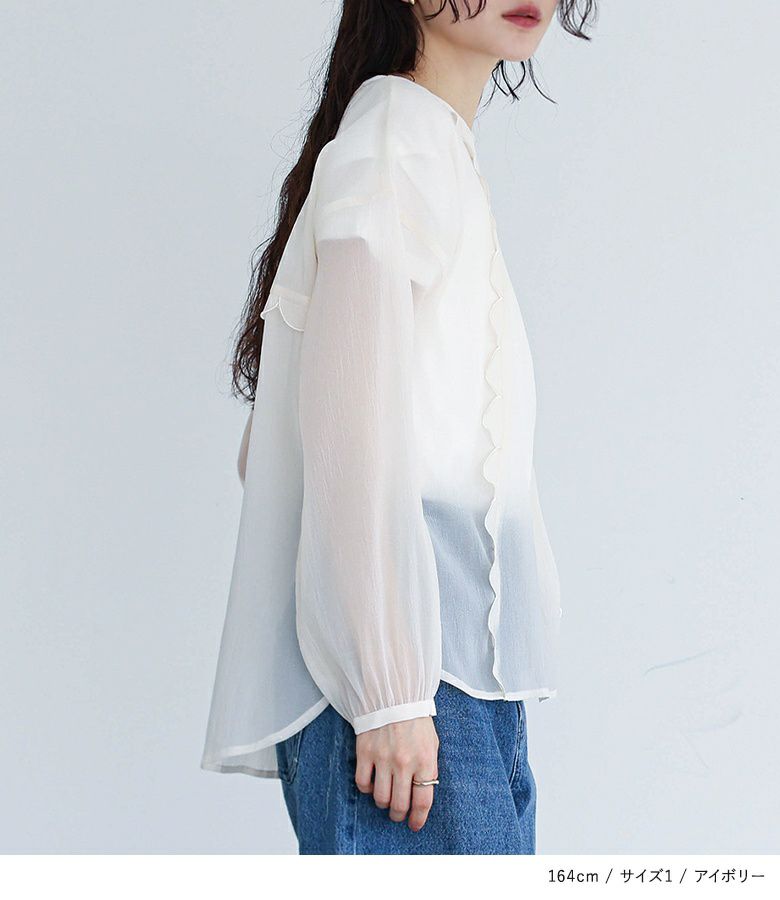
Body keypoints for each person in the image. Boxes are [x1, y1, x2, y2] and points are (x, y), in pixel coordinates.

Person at [201, 0, 597, 854]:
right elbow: (346, 433)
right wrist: (387, 689)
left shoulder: (419, 142)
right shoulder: (398, 138)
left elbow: (283, 445)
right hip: (413, 692)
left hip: (444, 688)